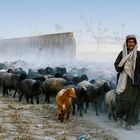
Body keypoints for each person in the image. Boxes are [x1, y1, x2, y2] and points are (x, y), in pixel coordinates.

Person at [114, 34, 140, 130]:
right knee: (122, 101)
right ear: (126, 43)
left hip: (134, 82)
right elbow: (116, 65)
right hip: (123, 80)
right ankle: (120, 117)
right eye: (129, 42)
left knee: (132, 103)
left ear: (135, 43)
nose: (131, 44)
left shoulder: (139, 54)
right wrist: (122, 65)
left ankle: (128, 122)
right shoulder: (122, 53)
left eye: (132, 42)